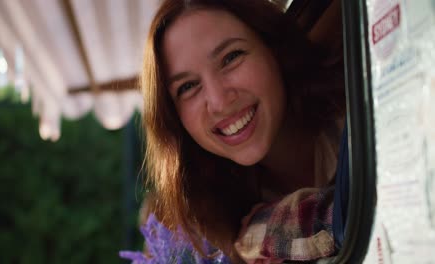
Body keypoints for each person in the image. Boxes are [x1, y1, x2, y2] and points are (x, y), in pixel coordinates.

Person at [140, 0, 346, 262]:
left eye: (231, 57)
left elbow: (362, 207)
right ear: (175, 119)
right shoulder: (209, 220)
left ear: (272, 45)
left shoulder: (360, 110)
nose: (218, 101)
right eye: (188, 86)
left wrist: (259, 233)